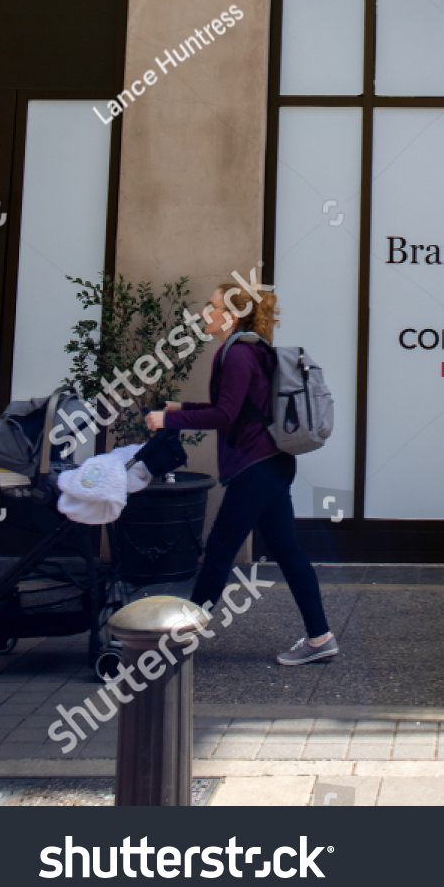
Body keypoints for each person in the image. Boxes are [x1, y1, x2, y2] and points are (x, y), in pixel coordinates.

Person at [145, 282, 337, 666]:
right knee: (287, 551)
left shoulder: (236, 355)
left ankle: (177, 642)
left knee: (218, 551)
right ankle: (320, 638)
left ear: (230, 314)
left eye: (212, 306)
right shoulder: (251, 350)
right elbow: (237, 407)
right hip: (271, 464)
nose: (205, 313)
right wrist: (182, 405)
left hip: (255, 468)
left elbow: (224, 415)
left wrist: (169, 418)